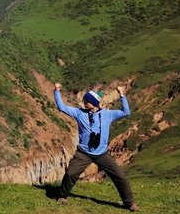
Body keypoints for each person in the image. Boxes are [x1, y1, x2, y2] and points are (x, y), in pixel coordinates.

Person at [53, 82, 139, 211]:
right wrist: (56, 91)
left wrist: (121, 94)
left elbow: (126, 112)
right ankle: (62, 196)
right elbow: (61, 107)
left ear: (92, 102)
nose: (83, 102)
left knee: (120, 177)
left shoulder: (108, 114)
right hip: (84, 153)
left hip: (102, 154)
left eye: (86, 101)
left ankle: (130, 203)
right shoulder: (79, 113)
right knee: (71, 173)